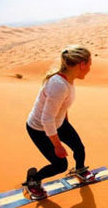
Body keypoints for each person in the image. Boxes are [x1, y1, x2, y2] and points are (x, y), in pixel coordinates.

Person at [24, 45, 94, 199]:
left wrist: (66, 125)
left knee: (79, 148)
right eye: (89, 64)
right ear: (82, 64)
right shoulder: (59, 85)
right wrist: (58, 145)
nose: (90, 68)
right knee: (60, 165)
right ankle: (33, 180)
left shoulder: (68, 79)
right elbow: (46, 119)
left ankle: (80, 169)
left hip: (59, 123)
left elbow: (62, 105)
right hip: (39, 129)